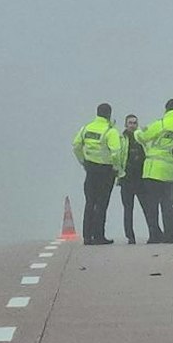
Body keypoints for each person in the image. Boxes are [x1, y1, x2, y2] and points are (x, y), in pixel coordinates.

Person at [136, 99, 173, 242]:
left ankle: (154, 235)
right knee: (169, 205)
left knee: (152, 206)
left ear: (167, 109)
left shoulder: (161, 124)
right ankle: (171, 234)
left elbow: (142, 137)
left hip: (154, 171)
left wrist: (138, 131)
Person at [71, 102, 124, 245]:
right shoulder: (110, 131)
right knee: (101, 203)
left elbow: (76, 145)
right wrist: (117, 168)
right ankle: (99, 235)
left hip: (90, 169)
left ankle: (87, 236)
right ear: (109, 114)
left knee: (90, 202)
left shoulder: (86, 128)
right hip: (106, 170)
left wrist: (83, 161)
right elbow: (116, 152)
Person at [119, 113, 146, 244]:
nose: (132, 125)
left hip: (141, 178)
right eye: (130, 123)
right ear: (126, 124)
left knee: (147, 207)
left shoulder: (142, 137)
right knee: (128, 209)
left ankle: (154, 232)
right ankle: (130, 236)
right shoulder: (121, 139)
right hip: (127, 178)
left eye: (135, 123)